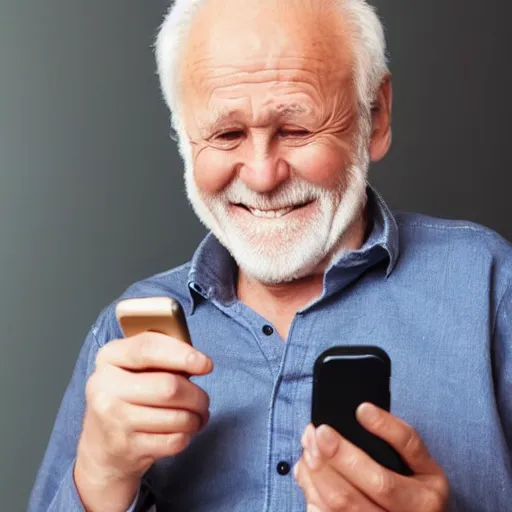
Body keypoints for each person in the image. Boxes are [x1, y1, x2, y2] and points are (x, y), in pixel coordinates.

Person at [29, 0, 512, 510]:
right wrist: (101, 476)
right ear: (183, 138)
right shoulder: (124, 343)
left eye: (297, 129)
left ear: (375, 116)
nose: (262, 175)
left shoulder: (491, 290)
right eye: (227, 134)